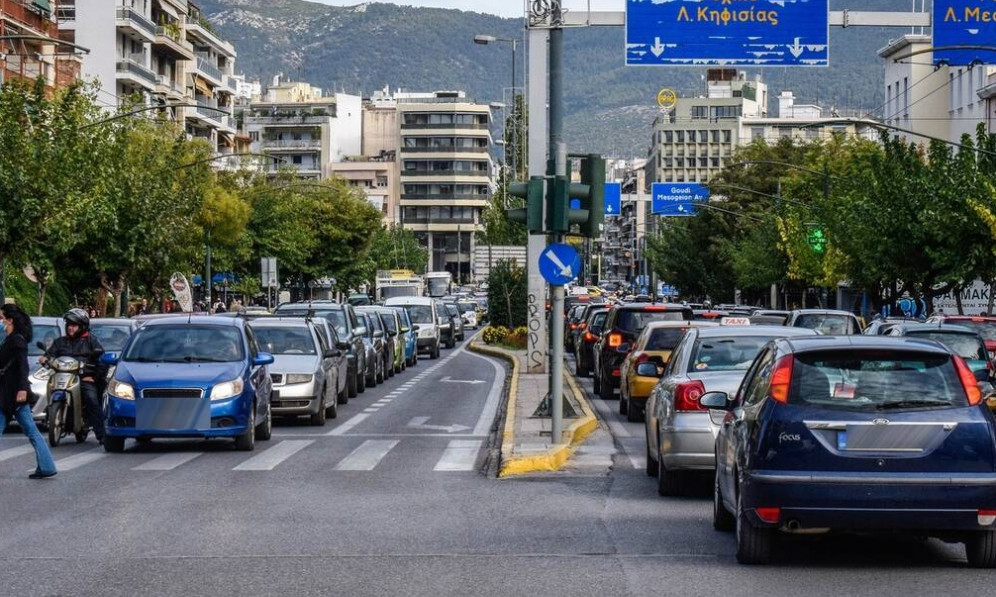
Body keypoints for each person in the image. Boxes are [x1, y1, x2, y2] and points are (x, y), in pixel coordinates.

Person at [0, 304, 56, 479]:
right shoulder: (10, 339)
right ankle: (46, 466)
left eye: (2, 318)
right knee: (32, 431)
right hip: (9, 393)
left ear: (10, 320)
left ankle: (47, 466)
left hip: (12, 394)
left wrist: (23, 389)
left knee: (32, 431)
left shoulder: (17, 340)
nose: (0, 321)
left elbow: (23, 367)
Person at [40, 309, 107, 445]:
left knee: (91, 399)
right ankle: (50, 415)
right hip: (62, 377)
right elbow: (50, 354)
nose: (71, 328)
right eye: (69, 325)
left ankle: (102, 435)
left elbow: (102, 361)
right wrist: (45, 358)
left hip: (83, 378)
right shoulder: (60, 342)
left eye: (74, 325)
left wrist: (94, 377)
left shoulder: (91, 341)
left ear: (82, 326)